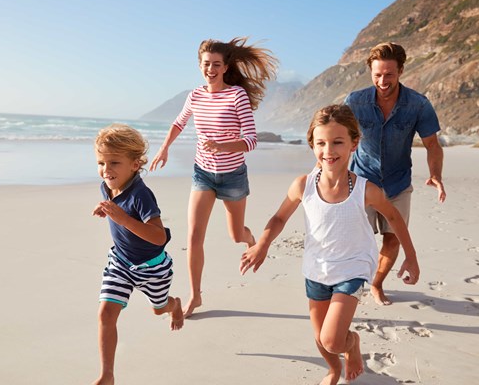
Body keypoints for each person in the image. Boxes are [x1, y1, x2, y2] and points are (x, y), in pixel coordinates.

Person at [240, 105, 420, 385]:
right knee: (321, 339)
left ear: (354, 144)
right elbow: (278, 217)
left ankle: (353, 343)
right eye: (321, 143)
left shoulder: (366, 190)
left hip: (353, 268)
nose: (329, 150)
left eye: (338, 142)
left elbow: (394, 217)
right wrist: (262, 244)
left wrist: (411, 256)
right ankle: (334, 370)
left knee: (333, 338)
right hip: (316, 269)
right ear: (312, 144)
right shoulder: (303, 185)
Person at [149, 37, 278, 317]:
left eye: (216, 64)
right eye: (206, 64)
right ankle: (195, 295)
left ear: (225, 66)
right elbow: (179, 122)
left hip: (232, 176)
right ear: (200, 66)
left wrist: (222, 145)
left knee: (235, 235)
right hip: (203, 175)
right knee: (194, 236)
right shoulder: (195, 95)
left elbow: (251, 140)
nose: (211, 69)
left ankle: (250, 238)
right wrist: (164, 148)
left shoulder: (237, 96)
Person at [344, 42, 445, 306]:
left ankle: (376, 284)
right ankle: (353, 283)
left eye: (389, 74)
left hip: (398, 182)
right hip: (361, 181)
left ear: (400, 71)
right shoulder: (355, 101)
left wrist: (436, 175)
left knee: (393, 238)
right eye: (377, 74)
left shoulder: (418, 104)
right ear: (370, 72)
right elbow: (338, 136)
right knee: (358, 240)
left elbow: (432, 145)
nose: (382, 80)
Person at [91, 124, 183, 385]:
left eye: (114, 163)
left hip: (153, 268)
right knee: (106, 313)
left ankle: (173, 305)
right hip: (120, 263)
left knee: (158, 309)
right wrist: (106, 210)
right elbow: (116, 210)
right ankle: (107, 374)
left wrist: (122, 219)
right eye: (101, 162)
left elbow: (159, 237)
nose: (106, 170)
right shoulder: (107, 187)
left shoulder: (142, 195)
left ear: (134, 164)